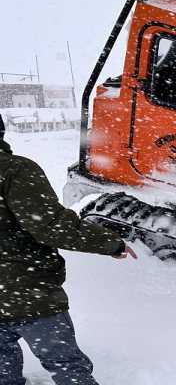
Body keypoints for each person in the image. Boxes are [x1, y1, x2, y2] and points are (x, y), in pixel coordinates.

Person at [0, 117, 136, 385]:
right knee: (66, 366)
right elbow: (50, 225)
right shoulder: (15, 170)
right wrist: (110, 243)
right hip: (27, 293)